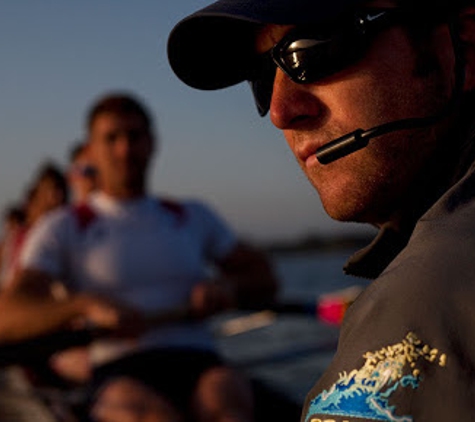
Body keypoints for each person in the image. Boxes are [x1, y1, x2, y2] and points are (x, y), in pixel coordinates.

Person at [167, 0, 475, 420]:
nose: (280, 111)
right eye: (262, 75)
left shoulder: (423, 304)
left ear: (464, 44)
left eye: (312, 49)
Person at [0, 92, 278, 422]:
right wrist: (83, 305)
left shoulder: (190, 215)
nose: (124, 149)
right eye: (111, 138)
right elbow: (8, 316)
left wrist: (228, 287)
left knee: (226, 402)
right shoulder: (64, 226)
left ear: (152, 143)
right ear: (90, 150)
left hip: (201, 362)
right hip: (119, 370)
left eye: (134, 136)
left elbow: (265, 277)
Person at [67, 140, 98, 204]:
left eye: (97, 172)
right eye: (88, 172)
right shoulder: (58, 213)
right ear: (70, 177)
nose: (92, 180)